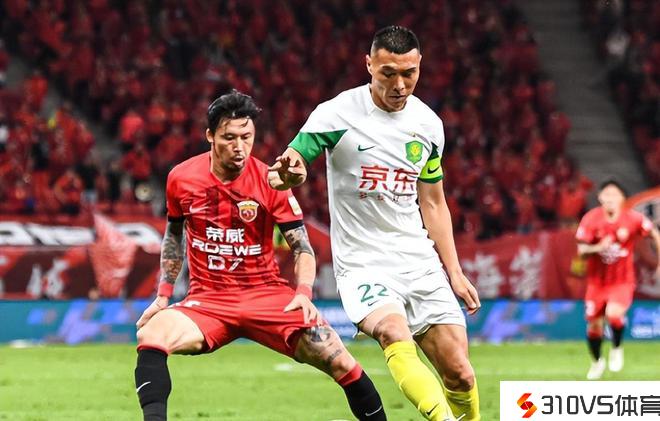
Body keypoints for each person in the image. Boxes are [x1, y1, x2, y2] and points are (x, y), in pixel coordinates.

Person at [269, 26, 481, 421]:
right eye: (388, 73)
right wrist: (288, 174)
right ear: (369, 65)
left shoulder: (428, 125)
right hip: (363, 262)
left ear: (420, 67)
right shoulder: (337, 113)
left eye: (409, 73)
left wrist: (454, 271)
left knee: (461, 374)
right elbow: (289, 167)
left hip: (418, 259)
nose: (399, 85)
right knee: (392, 332)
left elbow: (433, 202)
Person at [134, 91, 386, 421]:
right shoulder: (181, 178)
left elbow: (302, 248)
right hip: (209, 301)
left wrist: (303, 293)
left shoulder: (272, 182)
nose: (239, 147)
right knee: (151, 334)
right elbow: (174, 236)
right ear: (210, 136)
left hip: (267, 296)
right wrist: (163, 295)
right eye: (229, 138)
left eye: (246, 137)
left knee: (339, 359)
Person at [576, 179, 660, 379]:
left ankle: (616, 347)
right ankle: (597, 362)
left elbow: (654, 233)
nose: (610, 199)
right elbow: (581, 251)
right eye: (606, 194)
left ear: (622, 198)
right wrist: (598, 247)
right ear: (599, 197)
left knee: (613, 314)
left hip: (622, 280)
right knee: (594, 325)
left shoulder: (633, 218)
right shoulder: (591, 219)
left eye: (614, 195)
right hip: (596, 282)